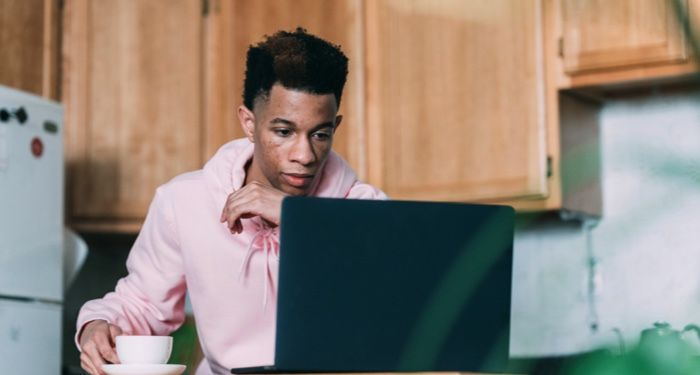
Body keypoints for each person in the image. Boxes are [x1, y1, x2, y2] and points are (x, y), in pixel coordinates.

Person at [76, 28, 387, 375]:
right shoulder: (184, 201)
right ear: (249, 123)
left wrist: (295, 216)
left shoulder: (364, 209)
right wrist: (97, 326)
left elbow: (397, 289)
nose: (304, 154)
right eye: (283, 132)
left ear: (335, 127)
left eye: (320, 134)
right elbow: (144, 303)